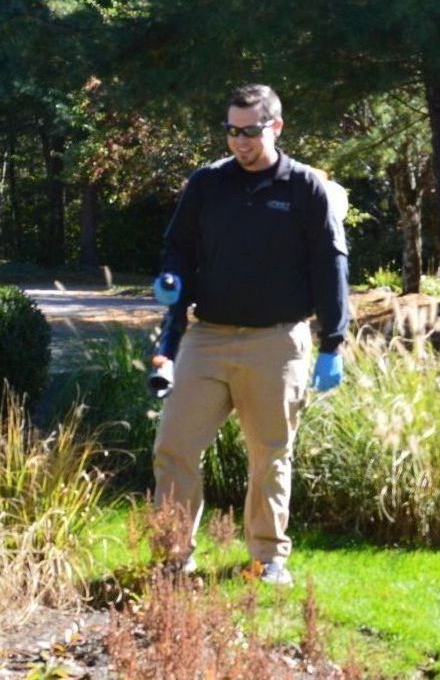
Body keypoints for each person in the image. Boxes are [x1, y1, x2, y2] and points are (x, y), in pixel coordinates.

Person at [151, 84, 350, 585]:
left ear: (276, 127)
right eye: (232, 131)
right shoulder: (207, 183)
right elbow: (178, 244)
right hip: (207, 337)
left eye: (250, 131)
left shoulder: (305, 188)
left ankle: (267, 558)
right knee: (174, 446)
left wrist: (334, 343)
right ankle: (174, 557)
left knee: (270, 455)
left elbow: (331, 266)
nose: (240, 142)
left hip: (277, 343)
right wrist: (171, 276)